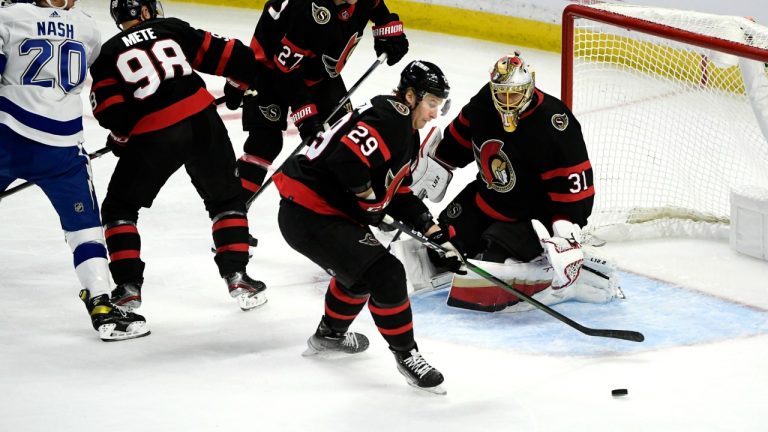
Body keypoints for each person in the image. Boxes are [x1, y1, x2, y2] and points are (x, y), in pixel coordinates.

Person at [273, 60, 456, 394]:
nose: (434, 113)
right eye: (431, 104)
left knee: (360, 276)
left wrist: (435, 234)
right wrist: (370, 200)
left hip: (319, 212)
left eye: (439, 107)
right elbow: (345, 160)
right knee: (385, 274)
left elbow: (398, 192)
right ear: (411, 96)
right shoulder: (391, 117)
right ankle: (408, 356)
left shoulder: (405, 131)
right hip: (309, 212)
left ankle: (329, 336)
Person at [88, 0, 266, 314]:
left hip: (156, 133)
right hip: (202, 120)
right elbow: (238, 57)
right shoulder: (171, 28)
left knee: (120, 207)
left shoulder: (108, 53)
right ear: (144, 12)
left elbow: (111, 111)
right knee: (226, 199)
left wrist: (121, 138)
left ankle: (128, 287)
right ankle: (238, 276)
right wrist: (237, 87)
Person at [0, 0, 149, 341]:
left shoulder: (6, 17)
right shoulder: (87, 27)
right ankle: (100, 303)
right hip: (63, 148)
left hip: (7, 139)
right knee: (85, 230)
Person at [430, 51, 620, 312]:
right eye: (502, 94)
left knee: (493, 263)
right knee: (439, 245)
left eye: (515, 94)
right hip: (485, 199)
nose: (507, 102)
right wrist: (435, 162)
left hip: (530, 216)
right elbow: (457, 141)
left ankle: (571, 273)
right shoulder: (484, 102)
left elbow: (573, 183)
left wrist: (564, 223)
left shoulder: (554, 123)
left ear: (529, 87)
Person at [223, 0, 410, 208]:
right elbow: (285, 69)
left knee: (347, 141)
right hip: (270, 72)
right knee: (265, 144)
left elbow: (375, 7)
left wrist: (388, 30)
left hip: (319, 77)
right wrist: (306, 116)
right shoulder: (308, 9)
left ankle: (349, 209)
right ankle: (232, 218)